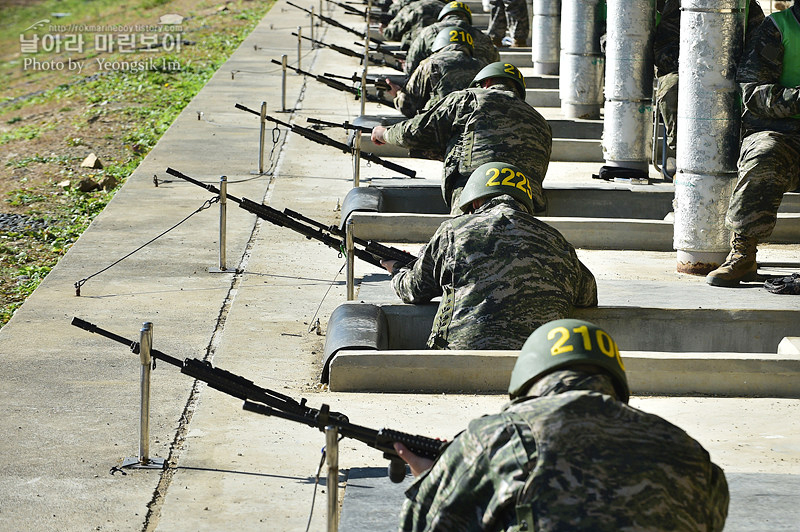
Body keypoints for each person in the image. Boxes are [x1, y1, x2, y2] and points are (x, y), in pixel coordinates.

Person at [393, 318, 730, 531]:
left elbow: (421, 526)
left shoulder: (500, 436)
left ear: (528, 379)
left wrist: (432, 481)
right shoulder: (689, 453)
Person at [380, 162, 598, 350]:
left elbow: (414, 289)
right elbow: (588, 295)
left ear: (475, 202)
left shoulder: (453, 231)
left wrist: (397, 271)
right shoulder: (555, 240)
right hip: (538, 361)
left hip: (460, 356)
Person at [372, 62, 551, 214]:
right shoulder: (541, 122)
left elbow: (415, 131)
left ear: (485, 82)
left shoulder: (468, 98)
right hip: (525, 208)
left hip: (474, 198)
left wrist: (384, 133)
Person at [706, 3, 797, 287]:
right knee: (764, 154)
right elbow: (752, 93)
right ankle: (743, 255)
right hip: (782, 135)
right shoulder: (778, 28)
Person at [654, 0, 764, 178]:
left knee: (753, 91)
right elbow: (664, 49)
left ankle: (741, 156)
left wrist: (729, 71)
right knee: (672, 87)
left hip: (733, 73)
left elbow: (757, 50)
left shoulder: (749, 7)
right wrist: (697, 69)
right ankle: (685, 154)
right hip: (686, 71)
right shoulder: (680, 3)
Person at [387, 27, 485, 117]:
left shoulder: (431, 63)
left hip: (440, 128)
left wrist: (397, 94)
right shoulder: (482, 65)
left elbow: (408, 106)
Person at [405, 1, 500, 76]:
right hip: (474, 91)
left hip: (436, 85)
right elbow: (494, 67)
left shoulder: (429, 31)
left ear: (443, 15)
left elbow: (411, 64)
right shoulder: (482, 37)